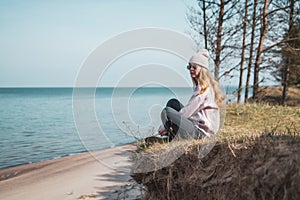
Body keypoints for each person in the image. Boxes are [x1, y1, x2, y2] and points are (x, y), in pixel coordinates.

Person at [157, 49, 225, 142]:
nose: (191, 69)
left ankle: (172, 138)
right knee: (173, 103)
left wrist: (164, 126)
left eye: (194, 67)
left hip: (202, 134)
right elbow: (191, 112)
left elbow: (186, 112)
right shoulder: (204, 86)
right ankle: (171, 135)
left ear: (202, 69)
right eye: (189, 66)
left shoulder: (203, 90)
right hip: (199, 128)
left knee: (167, 112)